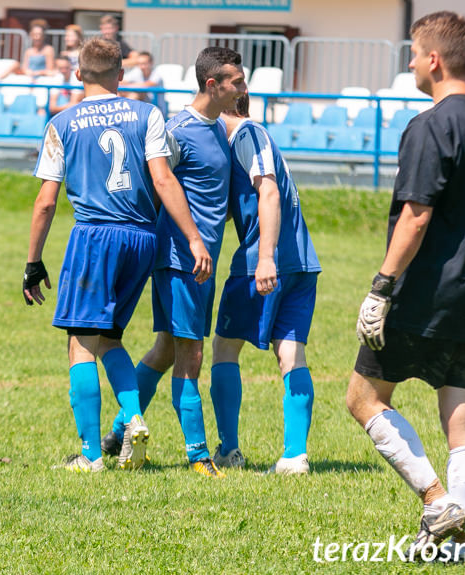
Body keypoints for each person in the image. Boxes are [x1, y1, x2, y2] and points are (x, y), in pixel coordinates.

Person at [345, 11, 465, 558]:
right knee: (462, 415)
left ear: (435, 60)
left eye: (415, 54)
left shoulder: (432, 123)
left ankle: (437, 500)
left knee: (364, 398)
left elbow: (416, 216)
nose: (412, 63)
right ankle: (457, 545)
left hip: (428, 288)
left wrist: (381, 286)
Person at [23, 37, 212, 473]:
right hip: (143, 239)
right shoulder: (148, 113)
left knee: (80, 345)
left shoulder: (63, 123)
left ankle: (90, 454)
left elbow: (46, 202)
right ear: (121, 74)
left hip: (95, 237)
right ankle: (133, 417)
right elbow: (165, 181)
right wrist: (195, 239)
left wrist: (33, 262)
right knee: (109, 339)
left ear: (77, 75)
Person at [103, 46, 247, 478]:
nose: (243, 88)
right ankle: (198, 455)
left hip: (201, 257)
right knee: (191, 352)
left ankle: (118, 432)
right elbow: (155, 186)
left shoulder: (219, 128)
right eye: (236, 82)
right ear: (212, 85)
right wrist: (188, 242)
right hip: (184, 259)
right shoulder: (177, 130)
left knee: (167, 348)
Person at [208, 92, 321, 474]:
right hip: (302, 260)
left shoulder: (245, 136)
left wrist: (266, 257)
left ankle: (229, 450)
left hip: (263, 260)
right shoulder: (262, 137)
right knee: (291, 355)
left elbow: (268, 193)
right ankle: (294, 455)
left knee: (224, 349)